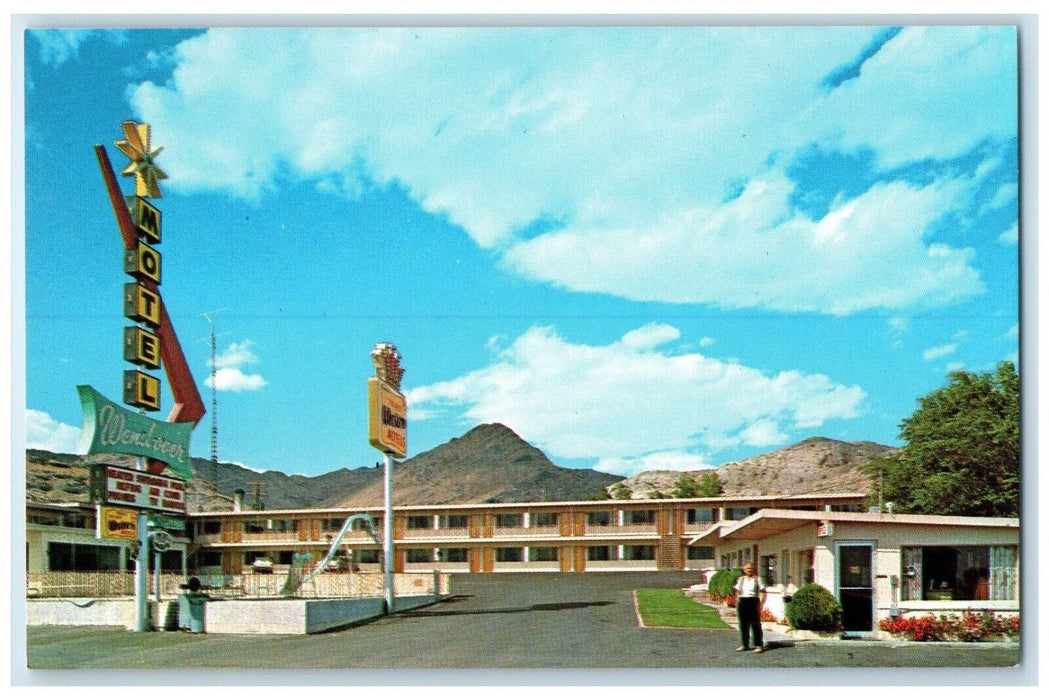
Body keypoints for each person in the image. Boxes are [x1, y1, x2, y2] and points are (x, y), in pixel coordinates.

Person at [734, 562, 767, 653]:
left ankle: (759, 645)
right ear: (744, 570)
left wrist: (760, 603)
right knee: (743, 624)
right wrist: (737, 601)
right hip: (743, 601)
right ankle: (745, 645)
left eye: (751, 568)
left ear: (754, 569)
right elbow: (737, 591)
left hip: (753, 601)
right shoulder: (741, 579)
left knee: (755, 624)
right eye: (747, 569)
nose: (749, 570)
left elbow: (762, 592)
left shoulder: (758, 579)